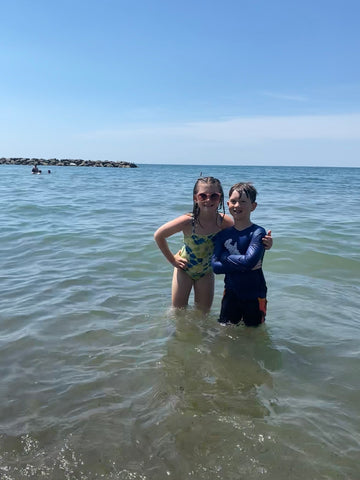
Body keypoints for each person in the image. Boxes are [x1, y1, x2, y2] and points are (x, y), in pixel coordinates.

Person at [154, 177, 272, 313]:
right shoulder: (188, 221)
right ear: (195, 198)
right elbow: (159, 235)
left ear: (220, 199)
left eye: (214, 196)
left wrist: (266, 244)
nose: (208, 200)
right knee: (178, 311)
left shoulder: (224, 222)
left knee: (203, 313)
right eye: (203, 195)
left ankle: (201, 334)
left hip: (206, 272)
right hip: (184, 269)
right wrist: (172, 259)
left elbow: (244, 234)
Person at [211, 182, 268, 327]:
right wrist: (241, 263)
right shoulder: (223, 235)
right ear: (228, 203)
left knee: (254, 333)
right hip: (231, 291)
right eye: (234, 201)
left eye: (243, 202)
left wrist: (224, 258)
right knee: (225, 331)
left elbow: (249, 262)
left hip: (255, 294)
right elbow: (215, 267)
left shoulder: (258, 232)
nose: (237, 205)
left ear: (253, 206)